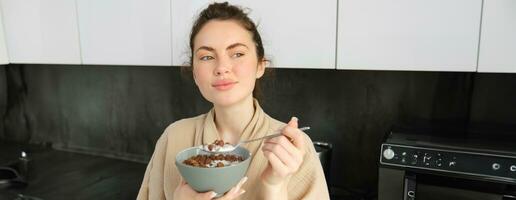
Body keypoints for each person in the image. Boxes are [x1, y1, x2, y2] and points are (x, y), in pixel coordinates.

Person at [137, 2, 329, 200]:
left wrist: (274, 186)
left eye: (237, 54)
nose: (222, 67)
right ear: (194, 72)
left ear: (260, 65)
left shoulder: (293, 150)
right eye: (207, 57)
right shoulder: (173, 138)